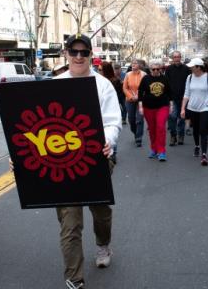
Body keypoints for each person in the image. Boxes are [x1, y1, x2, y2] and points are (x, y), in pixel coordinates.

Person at [54, 34, 122, 289]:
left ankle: (103, 244)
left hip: (96, 160)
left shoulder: (103, 85)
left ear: (90, 56)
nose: (79, 57)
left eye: (84, 53)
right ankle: (75, 279)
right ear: (67, 54)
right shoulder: (55, 85)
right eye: (74, 52)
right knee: (69, 222)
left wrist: (106, 142)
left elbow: (113, 121)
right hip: (63, 164)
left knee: (100, 211)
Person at [180, 58, 208, 166]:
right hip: (192, 107)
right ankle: (197, 146)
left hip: (205, 108)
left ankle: (204, 154)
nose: (190, 68)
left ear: (198, 67)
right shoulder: (190, 77)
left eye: (192, 66)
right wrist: (183, 108)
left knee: (203, 130)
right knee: (195, 129)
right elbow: (186, 94)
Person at [138, 60, 173, 161]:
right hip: (148, 107)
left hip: (162, 106)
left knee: (160, 127)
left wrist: (171, 105)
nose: (156, 71)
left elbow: (169, 92)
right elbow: (140, 92)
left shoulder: (164, 78)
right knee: (152, 129)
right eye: (153, 69)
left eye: (158, 69)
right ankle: (154, 149)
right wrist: (140, 106)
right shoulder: (145, 79)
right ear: (150, 69)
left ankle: (161, 151)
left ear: (161, 69)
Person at [164, 51, 191, 146]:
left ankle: (181, 136)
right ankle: (173, 136)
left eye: (178, 57)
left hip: (184, 98)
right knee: (172, 117)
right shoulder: (169, 69)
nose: (176, 59)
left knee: (182, 118)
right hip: (172, 98)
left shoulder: (186, 69)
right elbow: (165, 83)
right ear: (172, 58)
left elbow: (190, 83)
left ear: (180, 57)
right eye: (175, 57)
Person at [100, 61, 124, 164]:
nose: (99, 71)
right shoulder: (97, 81)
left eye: (101, 69)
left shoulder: (114, 81)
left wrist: (120, 105)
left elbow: (119, 95)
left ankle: (113, 151)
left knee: (111, 127)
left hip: (114, 105)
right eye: (98, 69)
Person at [123, 59, 146, 146]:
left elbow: (146, 88)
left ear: (139, 65)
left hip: (141, 100)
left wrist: (139, 96)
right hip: (130, 100)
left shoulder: (144, 75)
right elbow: (125, 88)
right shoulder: (128, 75)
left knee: (139, 119)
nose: (133, 65)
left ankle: (139, 138)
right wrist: (130, 96)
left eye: (135, 63)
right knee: (131, 119)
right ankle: (135, 132)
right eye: (132, 63)